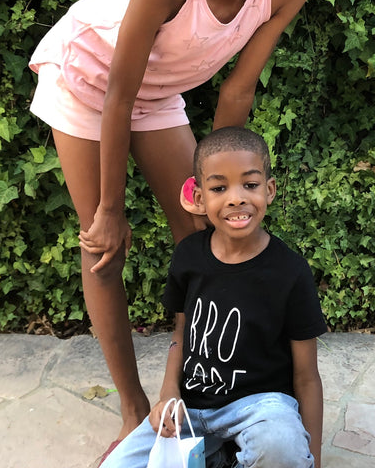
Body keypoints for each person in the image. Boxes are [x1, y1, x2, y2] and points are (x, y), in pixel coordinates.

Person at [28, 0, 314, 456]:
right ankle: (134, 407)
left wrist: (221, 186)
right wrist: (111, 208)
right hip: (88, 81)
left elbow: (237, 92)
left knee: (206, 238)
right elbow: (117, 97)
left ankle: (210, 391)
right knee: (104, 247)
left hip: (157, 92)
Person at [102, 126, 326, 468]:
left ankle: (233, 454)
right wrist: (169, 394)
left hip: (259, 408)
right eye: (219, 188)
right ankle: (222, 456)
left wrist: (314, 459)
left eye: (250, 185)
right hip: (191, 410)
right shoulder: (189, 256)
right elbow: (181, 333)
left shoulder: (290, 272)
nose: (236, 198)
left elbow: (307, 377)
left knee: (281, 446)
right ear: (199, 198)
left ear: (269, 190)